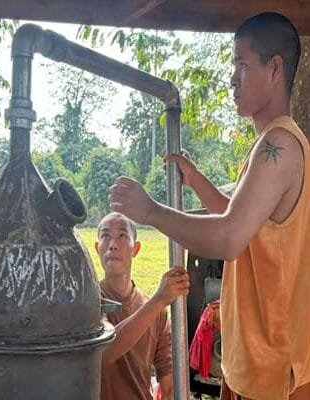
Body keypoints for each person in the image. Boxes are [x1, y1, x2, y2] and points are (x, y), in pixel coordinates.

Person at [109, 12, 310, 400]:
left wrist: (150, 211)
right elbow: (241, 220)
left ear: (275, 68)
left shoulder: (280, 146)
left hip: (274, 370)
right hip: (253, 361)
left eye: (241, 65)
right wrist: (196, 179)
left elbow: (229, 237)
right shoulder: (270, 144)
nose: (232, 79)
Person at [96, 212, 189, 400]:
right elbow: (104, 352)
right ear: (97, 248)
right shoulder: (89, 301)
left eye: (122, 235)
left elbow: (169, 383)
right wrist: (159, 300)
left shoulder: (157, 313)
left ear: (136, 248)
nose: (113, 244)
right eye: (105, 236)